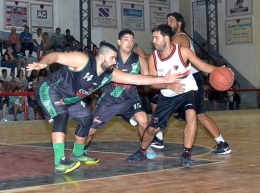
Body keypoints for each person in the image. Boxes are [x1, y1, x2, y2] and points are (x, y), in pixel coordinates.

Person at [26, 41, 182, 174]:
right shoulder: (82, 60)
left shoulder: (109, 74)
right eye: (113, 58)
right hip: (50, 90)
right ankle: (59, 163)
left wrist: (164, 79)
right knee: (62, 116)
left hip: (71, 98)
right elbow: (57, 56)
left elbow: (136, 78)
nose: (115, 62)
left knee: (87, 120)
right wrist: (44, 62)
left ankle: (78, 154)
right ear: (101, 56)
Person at [126, 24, 222, 168]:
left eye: (156, 38)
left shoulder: (183, 52)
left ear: (166, 38)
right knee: (152, 128)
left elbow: (203, 67)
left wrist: (220, 70)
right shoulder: (154, 58)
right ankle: (142, 151)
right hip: (167, 95)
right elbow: (153, 83)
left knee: (191, 115)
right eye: (153, 38)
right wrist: (168, 85)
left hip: (187, 91)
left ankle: (186, 153)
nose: (153, 41)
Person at [138, 12, 232, 156]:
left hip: (189, 80)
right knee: (156, 102)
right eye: (167, 21)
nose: (168, 23)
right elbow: (158, 66)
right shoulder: (168, 43)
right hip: (171, 82)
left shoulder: (180, 38)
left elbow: (201, 66)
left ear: (179, 24)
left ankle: (214, 145)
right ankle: (158, 137)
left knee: (196, 115)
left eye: (171, 21)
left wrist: (144, 56)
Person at [84, 30, 157, 159]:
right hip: (109, 99)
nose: (130, 43)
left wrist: (148, 58)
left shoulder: (138, 59)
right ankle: (81, 149)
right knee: (90, 129)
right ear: (119, 42)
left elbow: (149, 78)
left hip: (130, 99)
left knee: (143, 121)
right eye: (126, 39)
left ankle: (145, 146)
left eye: (132, 40)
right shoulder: (111, 57)